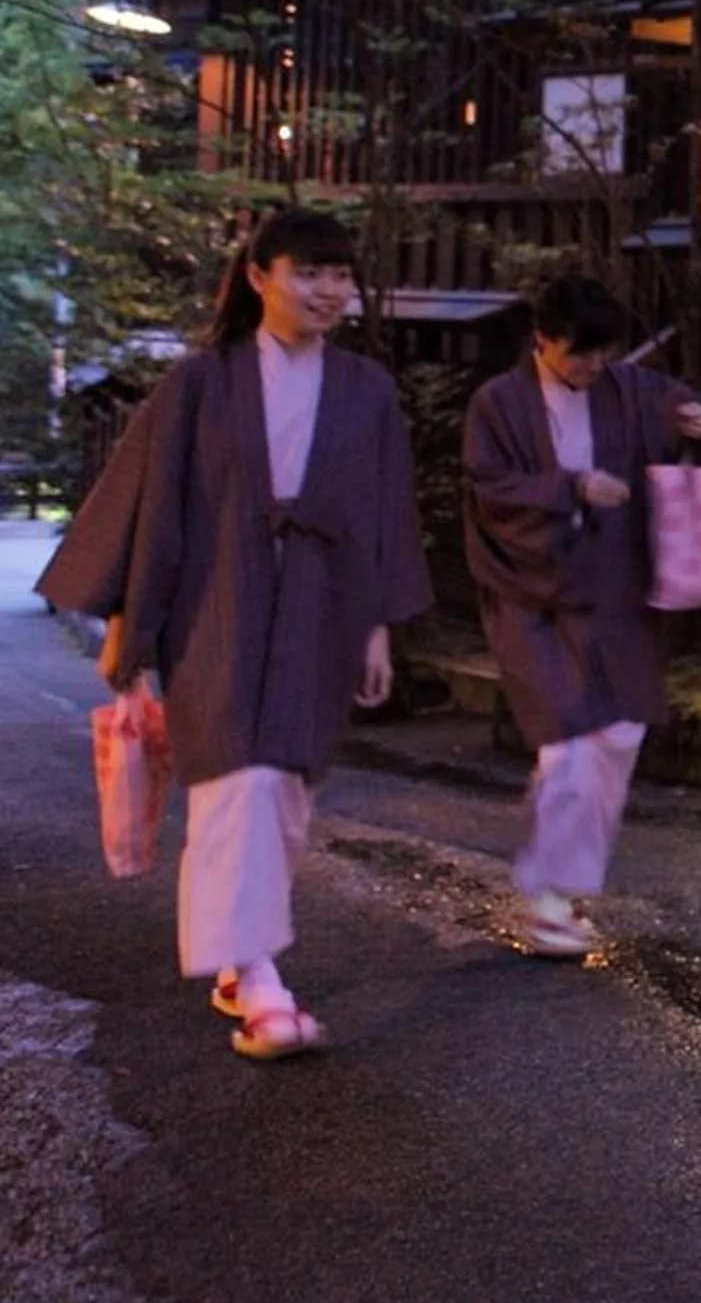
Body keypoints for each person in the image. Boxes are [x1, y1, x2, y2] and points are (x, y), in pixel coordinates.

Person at [39, 207, 432, 1061]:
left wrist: (376, 630)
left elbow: (381, 512)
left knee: (285, 788)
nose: (329, 292)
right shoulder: (200, 382)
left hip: (323, 604)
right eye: (308, 273)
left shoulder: (366, 388)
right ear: (258, 277)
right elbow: (151, 508)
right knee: (236, 783)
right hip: (216, 599)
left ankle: (235, 960)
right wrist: (127, 626)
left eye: (340, 276)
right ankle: (260, 983)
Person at [462, 276, 701, 958]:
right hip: (529, 591)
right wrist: (570, 488)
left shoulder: (626, 387)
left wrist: (696, 419)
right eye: (579, 354)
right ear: (540, 340)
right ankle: (546, 898)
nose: (592, 367)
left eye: (603, 354)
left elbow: (681, 411)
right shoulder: (499, 403)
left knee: (622, 730)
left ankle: (561, 883)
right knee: (570, 733)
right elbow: (490, 487)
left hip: (614, 588)